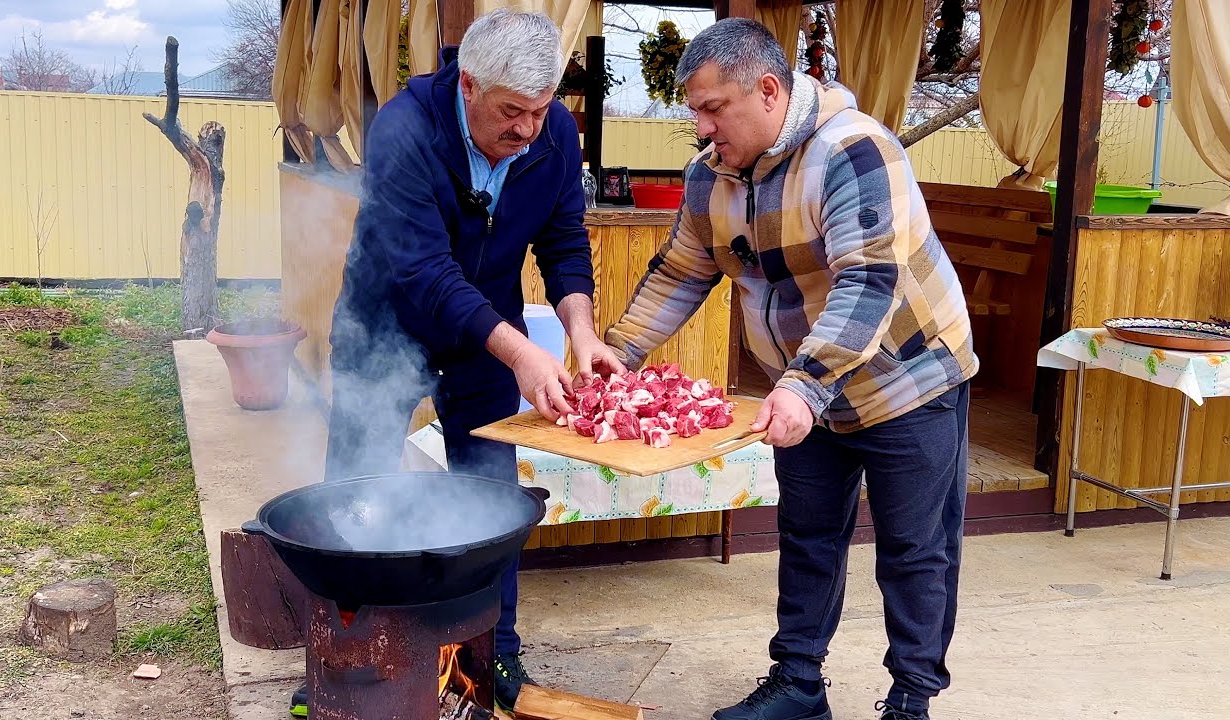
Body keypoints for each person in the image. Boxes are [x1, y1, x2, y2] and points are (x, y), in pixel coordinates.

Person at [602, 18, 977, 720]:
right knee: (807, 533)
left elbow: (867, 282)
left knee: (914, 549)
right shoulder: (709, 176)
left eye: (714, 109)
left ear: (768, 91)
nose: (702, 127)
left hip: (908, 378)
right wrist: (618, 352)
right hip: (806, 387)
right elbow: (682, 271)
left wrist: (803, 384)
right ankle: (799, 684)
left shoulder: (853, 150)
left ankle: (911, 699)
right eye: (695, 111)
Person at [295, 8, 626, 716]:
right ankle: (340, 648)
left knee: (490, 492)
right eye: (513, 112)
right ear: (468, 84)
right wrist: (523, 352)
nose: (530, 130)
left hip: (484, 339)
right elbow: (423, 271)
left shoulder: (554, 134)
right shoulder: (406, 128)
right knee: (354, 486)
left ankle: (494, 648)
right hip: (387, 318)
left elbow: (564, 242)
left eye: (542, 112)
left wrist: (582, 331)